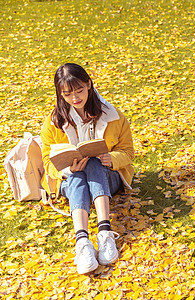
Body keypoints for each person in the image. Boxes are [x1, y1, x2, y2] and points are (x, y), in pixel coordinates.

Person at [40, 63, 134, 274]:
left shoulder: (114, 116)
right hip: (71, 180)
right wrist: (67, 170)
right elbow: (47, 161)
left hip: (108, 176)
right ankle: (82, 241)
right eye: (67, 94)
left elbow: (128, 153)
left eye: (79, 90)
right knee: (75, 177)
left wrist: (111, 158)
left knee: (93, 163)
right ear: (60, 94)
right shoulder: (53, 122)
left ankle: (105, 233)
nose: (75, 98)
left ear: (89, 85)